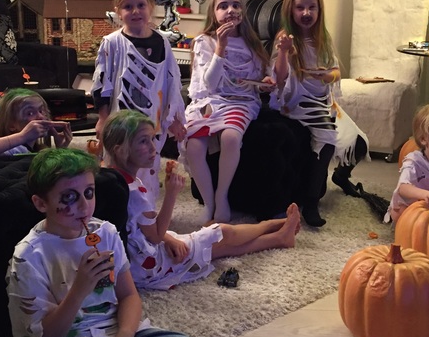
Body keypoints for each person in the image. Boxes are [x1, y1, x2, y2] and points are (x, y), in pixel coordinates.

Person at [3, 148, 200, 337]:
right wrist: (80, 288)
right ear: (41, 203)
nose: (84, 206)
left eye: (89, 192)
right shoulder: (28, 256)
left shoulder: (106, 233)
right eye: (68, 197)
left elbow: (129, 296)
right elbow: (47, 336)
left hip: (110, 336)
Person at [101, 109, 300, 290]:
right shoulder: (135, 192)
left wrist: (168, 238)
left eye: (153, 139)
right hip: (148, 265)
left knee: (215, 248)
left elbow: (142, 229)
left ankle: (279, 238)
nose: (153, 147)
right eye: (143, 141)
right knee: (222, 232)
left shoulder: (111, 177)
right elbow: (155, 235)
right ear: (120, 150)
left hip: (136, 260)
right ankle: (271, 225)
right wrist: (171, 194)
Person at [270, 0, 369, 227]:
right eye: (300, 7)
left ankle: (341, 176)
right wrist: (284, 52)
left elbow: (336, 72)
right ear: (290, 10)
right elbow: (279, 78)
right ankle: (312, 201)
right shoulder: (286, 39)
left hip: (322, 101)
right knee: (327, 140)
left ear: (319, 10)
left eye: (311, 7)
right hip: (296, 103)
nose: (306, 13)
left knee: (359, 140)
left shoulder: (323, 38)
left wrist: (326, 76)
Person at [183, 0, 273, 223]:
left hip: (241, 102)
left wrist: (264, 83)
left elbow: (257, 80)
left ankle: (222, 196)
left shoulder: (252, 45)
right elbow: (210, 84)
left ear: (242, 12)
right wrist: (220, 48)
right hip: (211, 100)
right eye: (223, 6)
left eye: (235, 5)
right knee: (194, 146)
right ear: (214, 14)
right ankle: (209, 202)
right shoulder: (205, 41)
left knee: (231, 137)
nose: (230, 10)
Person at [91, 0, 186, 201]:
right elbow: (102, 84)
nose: (135, 11)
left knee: (148, 165)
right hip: (120, 120)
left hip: (152, 120)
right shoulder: (112, 43)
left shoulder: (162, 42)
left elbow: (172, 81)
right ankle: (119, 210)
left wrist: (173, 117)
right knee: (118, 165)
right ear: (118, 11)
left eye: (141, 5)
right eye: (128, 7)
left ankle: (146, 210)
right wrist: (103, 118)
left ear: (150, 7)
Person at [0, 88, 72, 164]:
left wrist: (61, 149)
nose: (40, 116)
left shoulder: (38, 149)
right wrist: (23, 136)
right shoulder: (15, 149)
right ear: (11, 125)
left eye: (41, 110)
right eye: (30, 113)